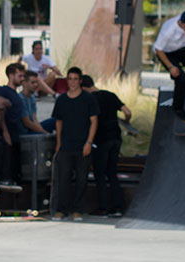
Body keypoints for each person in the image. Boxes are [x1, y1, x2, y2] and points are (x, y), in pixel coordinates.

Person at [50, 67, 98, 220]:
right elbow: (58, 122)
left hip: (82, 145)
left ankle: (78, 209)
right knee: (63, 178)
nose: (72, 82)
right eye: (69, 79)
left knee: (81, 179)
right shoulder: (62, 100)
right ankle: (61, 209)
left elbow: (94, 121)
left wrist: (89, 142)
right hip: (66, 145)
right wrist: (58, 143)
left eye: (75, 79)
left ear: (80, 80)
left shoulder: (88, 99)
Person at [81, 74, 131, 217]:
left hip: (101, 139)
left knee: (100, 173)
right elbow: (128, 112)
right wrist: (125, 121)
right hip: (115, 137)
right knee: (112, 173)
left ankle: (102, 207)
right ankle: (117, 207)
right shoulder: (110, 95)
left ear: (84, 87)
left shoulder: (90, 99)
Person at [153, 10, 185, 125]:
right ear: (180, 22)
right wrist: (171, 67)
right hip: (165, 52)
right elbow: (158, 50)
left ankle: (184, 83)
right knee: (180, 78)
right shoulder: (169, 29)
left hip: (183, 49)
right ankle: (177, 108)